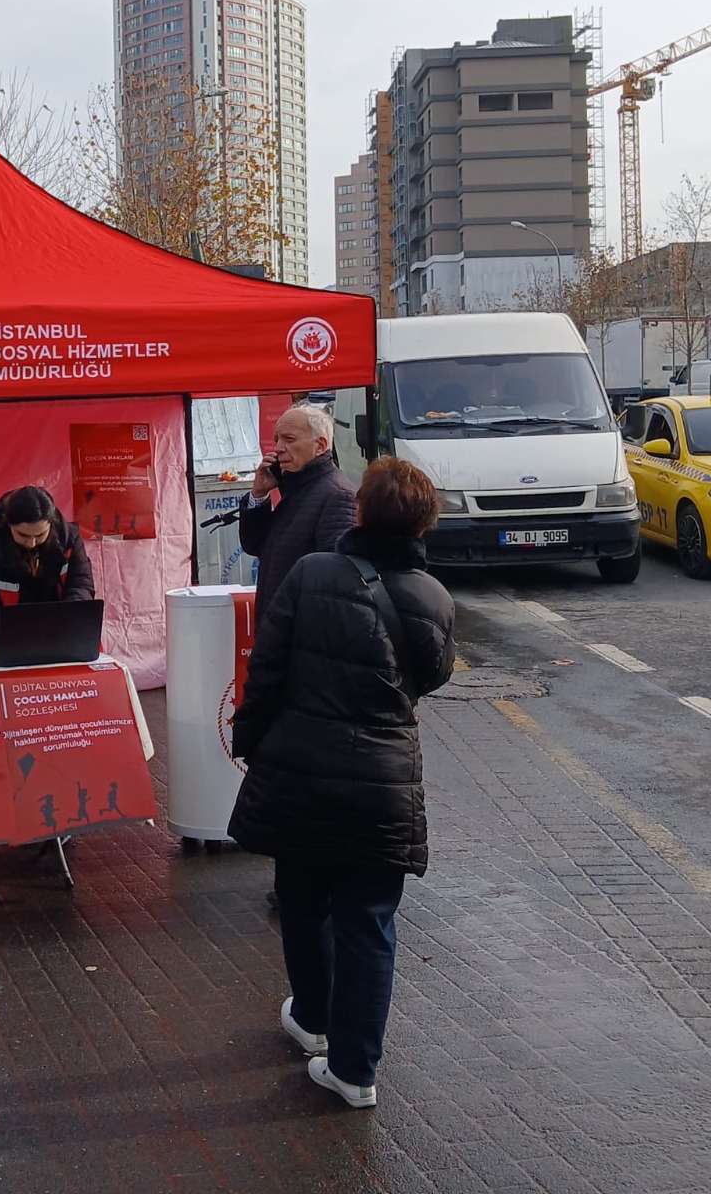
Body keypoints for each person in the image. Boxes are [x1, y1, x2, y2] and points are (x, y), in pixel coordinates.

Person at [228, 458, 455, 1110]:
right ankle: (355, 1072)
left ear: (360, 511)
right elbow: (432, 677)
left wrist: (249, 744)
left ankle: (312, 1017)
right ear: (425, 522)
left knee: (301, 901)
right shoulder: (433, 597)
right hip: (383, 784)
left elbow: (266, 670)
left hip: (301, 771)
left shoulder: (311, 574)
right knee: (370, 924)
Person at [239, 403, 358, 622]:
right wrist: (259, 495)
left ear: (320, 445)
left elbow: (336, 584)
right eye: (277, 439)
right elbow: (254, 545)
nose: (278, 448)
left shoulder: (338, 496)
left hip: (303, 638)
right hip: (278, 633)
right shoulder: (296, 488)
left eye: (289, 439)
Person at [0, 485, 95, 649]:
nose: (32, 543)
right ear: (8, 525)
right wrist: (15, 640)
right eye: (23, 535)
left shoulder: (69, 539)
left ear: (51, 524)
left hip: (66, 636)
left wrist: (68, 625)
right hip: (12, 642)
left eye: (40, 535)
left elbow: (81, 585)